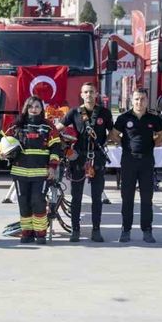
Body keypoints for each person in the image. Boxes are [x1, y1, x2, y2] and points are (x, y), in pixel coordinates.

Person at [0, 96, 62, 245]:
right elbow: (0, 142)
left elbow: (56, 148)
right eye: (31, 106)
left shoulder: (48, 127)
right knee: (23, 203)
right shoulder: (16, 126)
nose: (34, 109)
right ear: (26, 108)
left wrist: (52, 167)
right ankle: (27, 233)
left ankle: (40, 234)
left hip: (41, 173)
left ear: (42, 109)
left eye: (37, 106)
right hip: (20, 173)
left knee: (37, 202)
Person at [55, 81, 113, 243]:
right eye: (86, 92)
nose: (89, 95)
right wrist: (64, 145)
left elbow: (113, 132)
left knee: (96, 196)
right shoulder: (74, 113)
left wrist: (104, 143)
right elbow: (57, 129)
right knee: (76, 196)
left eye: (91, 92)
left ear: (96, 94)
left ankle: (96, 230)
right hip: (78, 158)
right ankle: (75, 230)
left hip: (98, 158)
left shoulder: (104, 113)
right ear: (81, 95)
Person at [110, 88, 162, 243]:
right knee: (127, 197)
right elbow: (113, 135)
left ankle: (147, 230)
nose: (139, 102)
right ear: (131, 100)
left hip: (147, 162)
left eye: (142, 99)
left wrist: (152, 144)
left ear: (147, 101)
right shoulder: (123, 118)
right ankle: (125, 230)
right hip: (129, 161)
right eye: (136, 99)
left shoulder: (154, 119)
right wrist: (125, 144)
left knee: (147, 198)